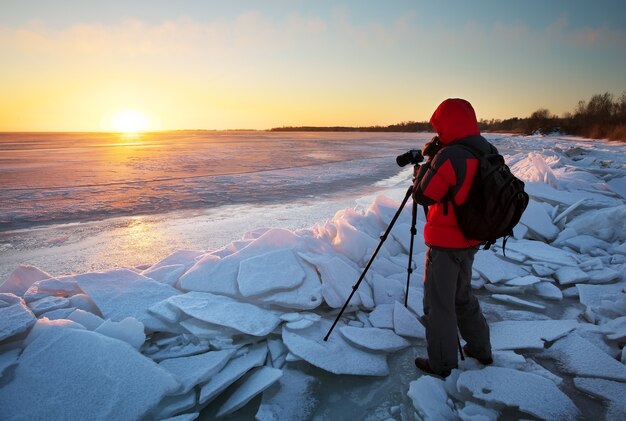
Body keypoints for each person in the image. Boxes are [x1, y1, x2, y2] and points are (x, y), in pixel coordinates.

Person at [411, 98, 493, 378]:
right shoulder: (485, 150)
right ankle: (481, 348)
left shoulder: (450, 156)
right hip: (471, 238)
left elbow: (424, 194)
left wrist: (426, 165)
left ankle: (442, 363)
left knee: (438, 305)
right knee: (462, 297)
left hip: (446, 243)